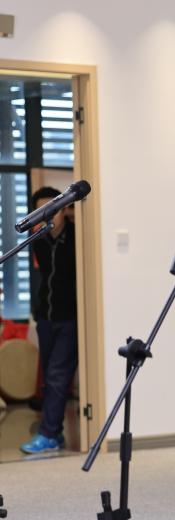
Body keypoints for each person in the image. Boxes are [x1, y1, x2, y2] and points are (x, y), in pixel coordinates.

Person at [20, 187, 77, 455]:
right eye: (42, 211)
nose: (48, 215)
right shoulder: (39, 239)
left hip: (70, 318)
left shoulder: (77, 237)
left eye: (52, 209)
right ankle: (55, 430)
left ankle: (49, 434)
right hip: (46, 316)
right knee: (48, 377)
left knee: (57, 376)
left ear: (64, 209)